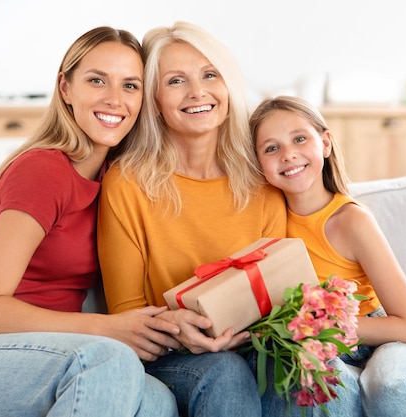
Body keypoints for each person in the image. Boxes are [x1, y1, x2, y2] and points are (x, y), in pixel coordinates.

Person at [0, 26, 180, 417]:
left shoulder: (119, 182)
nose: (115, 99)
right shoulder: (44, 170)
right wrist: (110, 328)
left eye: (131, 86)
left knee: (159, 400)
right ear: (66, 88)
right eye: (97, 80)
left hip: (48, 352)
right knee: (110, 362)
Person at [97, 21, 361, 417]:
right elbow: (126, 312)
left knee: (308, 373)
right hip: (171, 356)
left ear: (228, 84)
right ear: (154, 97)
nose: (197, 92)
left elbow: (279, 295)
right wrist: (176, 327)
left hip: (255, 346)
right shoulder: (128, 183)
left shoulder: (263, 178)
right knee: (225, 372)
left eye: (209, 75)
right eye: (176, 81)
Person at [250, 95, 406, 416]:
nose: (288, 155)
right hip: (326, 349)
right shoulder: (263, 223)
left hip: (389, 342)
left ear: (325, 143)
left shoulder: (351, 220)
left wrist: (322, 326)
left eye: (299, 139)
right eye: (271, 148)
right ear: (257, 161)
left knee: (388, 389)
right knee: (322, 386)